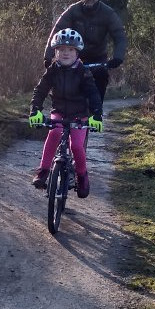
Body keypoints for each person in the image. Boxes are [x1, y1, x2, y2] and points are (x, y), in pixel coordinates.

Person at [29, 28, 103, 199]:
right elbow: (40, 91)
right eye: (61, 49)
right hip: (59, 112)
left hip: (79, 115)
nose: (66, 53)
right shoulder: (53, 69)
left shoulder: (83, 72)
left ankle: (82, 176)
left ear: (77, 52)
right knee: (54, 133)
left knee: (76, 146)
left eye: (70, 50)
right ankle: (43, 171)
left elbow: (93, 94)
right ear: (56, 52)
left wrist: (97, 115)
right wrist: (35, 111)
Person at [43, 0, 127, 103]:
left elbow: (119, 35)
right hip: (76, 55)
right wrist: (48, 56)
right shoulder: (73, 10)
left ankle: (97, 113)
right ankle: (62, 108)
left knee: (101, 77)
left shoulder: (108, 13)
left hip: (98, 57)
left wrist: (118, 57)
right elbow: (57, 31)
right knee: (65, 79)